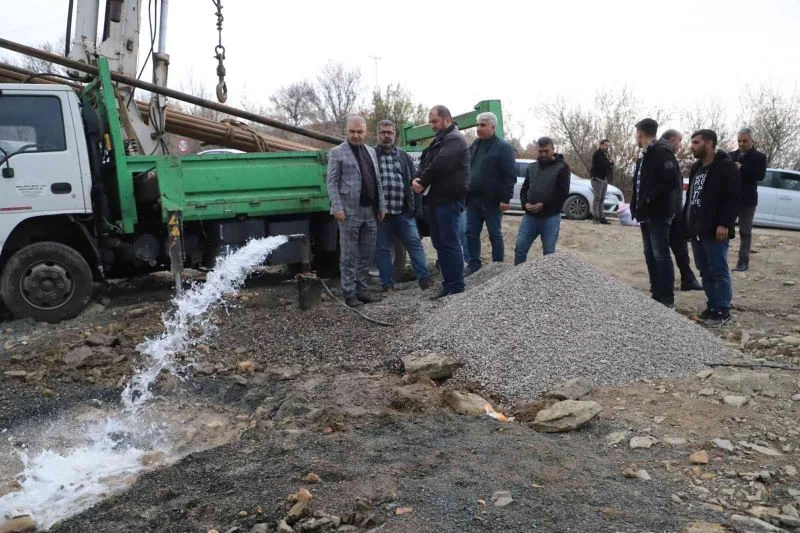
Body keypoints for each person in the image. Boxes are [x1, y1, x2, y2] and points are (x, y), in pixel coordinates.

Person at [326, 115, 386, 308]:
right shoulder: (336, 153)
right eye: (352, 131)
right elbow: (332, 182)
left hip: (370, 211)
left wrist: (381, 206)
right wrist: (337, 207)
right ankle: (349, 293)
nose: (356, 135)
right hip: (348, 212)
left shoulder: (371, 152)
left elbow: (377, 181)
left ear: (365, 132)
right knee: (349, 255)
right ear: (346, 131)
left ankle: (362, 290)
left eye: (359, 132)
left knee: (367, 254)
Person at [412, 105, 470, 299]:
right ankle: (448, 283)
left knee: (449, 242)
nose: (432, 126)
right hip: (435, 201)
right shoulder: (439, 140)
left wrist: (422, 181)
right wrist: (417, 178)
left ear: (447, 119)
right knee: (440, 243)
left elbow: (440, 165)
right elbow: (425, 162)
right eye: (430, 122)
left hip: (449, 200)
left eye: (434, 121)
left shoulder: (455, 139)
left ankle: (456, 285)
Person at [684, 129, 740, 326]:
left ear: (710, 144)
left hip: (716, 229)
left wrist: (725, 223)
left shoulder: (725, 167)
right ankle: (713, 306)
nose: (692, 146)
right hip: (697, 228)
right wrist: (686, 224)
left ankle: (722, 310)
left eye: (696, 142)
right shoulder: (696, 168)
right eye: (692, 142)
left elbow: (734, 198)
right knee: (705, 270)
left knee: (718, 269)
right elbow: (691, 198)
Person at [373, 120, 433, 292]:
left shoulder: (403, 156)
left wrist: (416, 209)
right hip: (381, 214)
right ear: (378, 134)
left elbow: (414, 181)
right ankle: (387, 285)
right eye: (383, 132)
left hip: (403, 211)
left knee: (414, 244)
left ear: (395, 135)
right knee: (383, 249)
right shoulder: (372, 156)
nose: (387, 136)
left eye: (390, 133)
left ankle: (425, 280)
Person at [630, 118, 680, 308]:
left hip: (658, 213)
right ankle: (656, 295)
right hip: (645, 214)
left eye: (636, 134)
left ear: (640, 134)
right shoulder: (644, 156)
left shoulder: (661, 151)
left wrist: (649, 199)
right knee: (649, 254)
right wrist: (635, 205)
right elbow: (639, 184)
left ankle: (667, 300)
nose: (636, 137)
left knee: (660, 254)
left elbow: (670, 181)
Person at [465, 111, 516, 274]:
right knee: (471, 233)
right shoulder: (474, 145)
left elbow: (510, 176)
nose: (479, 128)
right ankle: (473, 265)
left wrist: (505, 199)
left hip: (492, 201)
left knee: (494, 234)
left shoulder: (503, 148)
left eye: (483, 125)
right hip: (473, 200)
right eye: (477, 125)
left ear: (493, 127)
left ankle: (497, 266)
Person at [513, 137, 570, 263]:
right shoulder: (532, 167)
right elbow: (524, 189)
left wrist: (544, 205)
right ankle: (518, 280)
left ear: (553, 149)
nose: (543, 154)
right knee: (520, 249)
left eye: (546, 151)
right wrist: (525, 203)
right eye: (540, 151)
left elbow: (562, 193)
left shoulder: (562, 167)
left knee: (549, 254)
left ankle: (548, 282)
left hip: (550, 218)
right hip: (530, 217)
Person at [661, 129, 703, 291]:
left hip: (674, 210)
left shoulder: (666, 154)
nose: (680, 145)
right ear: (673, 140)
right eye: (680, 141)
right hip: (669, 211)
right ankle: (668, 284)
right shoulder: (664, 154)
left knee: (679, 246)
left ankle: (688, 278)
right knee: (665, 249)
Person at [729, 127, 767, 272]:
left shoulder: (759, 157)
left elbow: (760, 176)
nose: (741, 143)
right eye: (739, 141)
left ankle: (743, 261)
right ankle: (720, 257)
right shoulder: (731, 155)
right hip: (731, 199)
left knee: (745, 231)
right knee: (724, 228)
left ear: (751, 141)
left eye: (745, 141)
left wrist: (742, 168)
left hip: (747, 200)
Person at [589, 139, 614, 224]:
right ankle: (595, 217)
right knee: (597, 198)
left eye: (608, 146)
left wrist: (611, 163)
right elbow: (601, 164)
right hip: (597, 178)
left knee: (602, 198)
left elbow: (607, 165)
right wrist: (609, 162)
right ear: (601, 145)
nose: (607, 147)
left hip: (604, 178)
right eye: (606, 145)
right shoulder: (597, 154)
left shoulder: (606, 154)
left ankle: (601, 217)